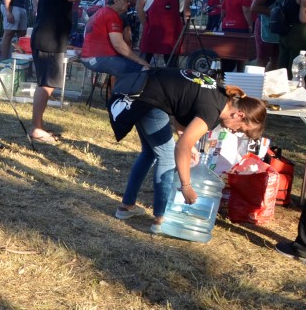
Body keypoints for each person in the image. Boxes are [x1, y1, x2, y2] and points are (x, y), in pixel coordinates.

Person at [108, 68, 266, 229]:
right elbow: (181, 147)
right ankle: (162, 218)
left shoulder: (219, 97)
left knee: (149, 152)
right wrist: (186, 186)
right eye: (240, 129)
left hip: (137, 90)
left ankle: (127, 207)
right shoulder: (212, 110)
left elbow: (181, 108)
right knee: (167, 157)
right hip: (146, 99)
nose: (234, 131)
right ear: (239, 115)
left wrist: (189, 145)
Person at [27, 0, 105, 145]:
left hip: (50, 37)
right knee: (46, 84)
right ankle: (36, 128)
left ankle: (38, 126)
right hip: (48, 39)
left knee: (48, 83)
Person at [79, 0, 149, 78]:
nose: (128, 3)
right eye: (126, 0)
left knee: (132, 68)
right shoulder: (111, 15)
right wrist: (139, 60)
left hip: (92, 57)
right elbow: (118, 44)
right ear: (116, 1)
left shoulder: (102, 12)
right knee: (143, 70)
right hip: (99, 58)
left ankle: (120, 87)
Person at [248, 0, 296, 71]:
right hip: (266, 28)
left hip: (281, 29)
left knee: (276, 60)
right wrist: (277, 14)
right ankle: (256, 81)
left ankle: (269, 82)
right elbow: (254, 7)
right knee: (262, 60)